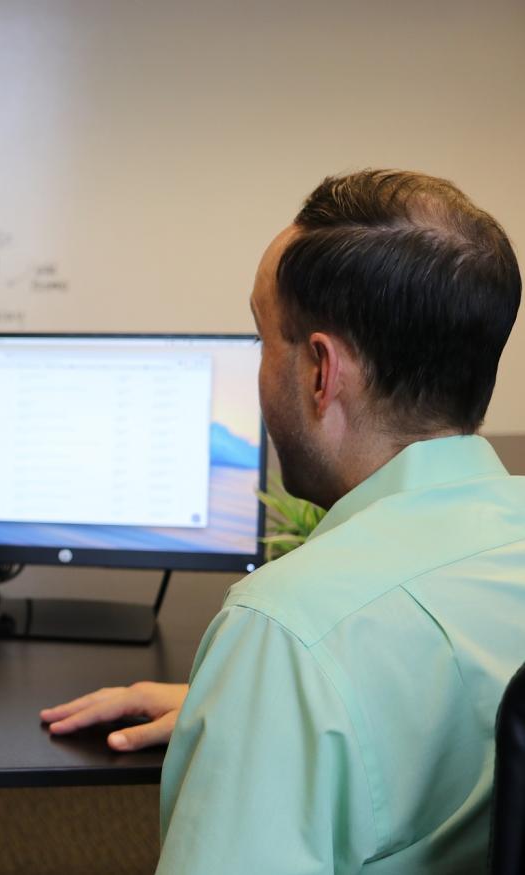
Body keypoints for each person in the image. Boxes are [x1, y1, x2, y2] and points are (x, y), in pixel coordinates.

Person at [42, 170, 525, 873]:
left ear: (321, 372)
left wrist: (276, 681)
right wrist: (257, 707)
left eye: (263, 337)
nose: (261, 367)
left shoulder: (286, 629)